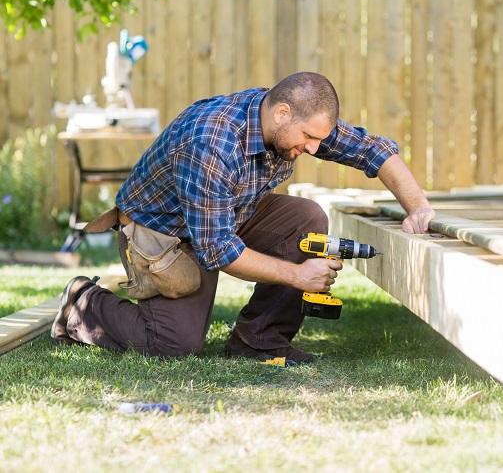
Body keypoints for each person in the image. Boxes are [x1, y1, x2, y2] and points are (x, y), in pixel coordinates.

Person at [50, 72, 434, 365]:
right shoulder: (212, 142)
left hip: (226, 214)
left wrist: (417, 207)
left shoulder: (292, 122)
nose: (315, 148)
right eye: (308, 138)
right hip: (162, 230)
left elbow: (373, 151)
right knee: (173, 344)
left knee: (306, 217)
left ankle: (258, 340)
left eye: (320, 139)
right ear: (282, 113)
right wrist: (298, 276)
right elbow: (217, 249)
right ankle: (82, 303)